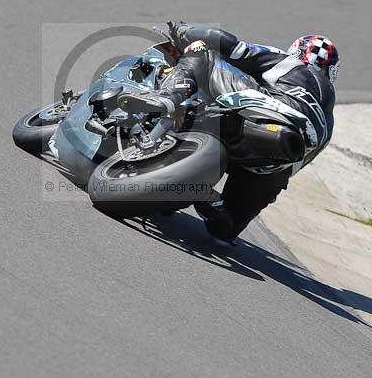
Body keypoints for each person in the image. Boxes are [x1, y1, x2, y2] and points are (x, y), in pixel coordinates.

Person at [118, 22, 339, 245]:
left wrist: (183, 31)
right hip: (275, 161)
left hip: (266, 112)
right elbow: (289, 172)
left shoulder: (288, 62)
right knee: (226, 229)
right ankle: (218, 208)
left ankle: (168, 97)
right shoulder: (328, 125)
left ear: (298, 51)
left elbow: (233, 46)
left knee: (201, 50)